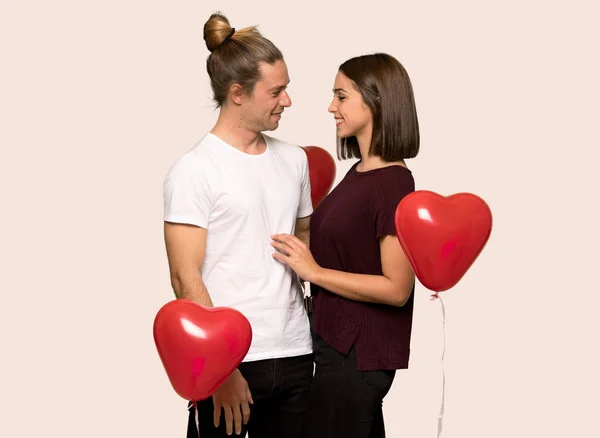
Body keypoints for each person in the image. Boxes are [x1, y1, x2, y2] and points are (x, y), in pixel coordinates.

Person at [162, 12, 314, 438]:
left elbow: (304, 244)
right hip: (232, 363)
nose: (287, 101)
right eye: (277, 91)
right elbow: (183, 276)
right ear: (237, 94)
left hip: (297, 352)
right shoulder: (194, 170)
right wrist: (221, 369)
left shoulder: (295, 159)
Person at [270, 53, 420, 438]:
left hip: (358, 357)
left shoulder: (393, 183)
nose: (331, 107)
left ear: (375, 101)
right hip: (334, 348)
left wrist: (314, 272)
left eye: (341, 96)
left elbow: (397, 288)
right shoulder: (360, 173)